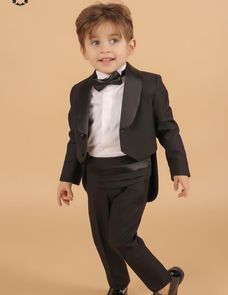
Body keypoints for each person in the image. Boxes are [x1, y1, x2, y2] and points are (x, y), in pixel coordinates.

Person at [57, 2, 190, 295]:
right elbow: (74, 138)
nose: (105, 49)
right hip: (96, 174)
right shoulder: (79, 92)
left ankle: (165, 281)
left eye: (113, 40)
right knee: (103, 239)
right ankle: (118, 286)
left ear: (131, 45)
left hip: (134, 174)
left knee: (121, 236)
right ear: (83, 50)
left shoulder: (150, 85)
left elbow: (168, 128)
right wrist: (67, 177)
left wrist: (179, 169)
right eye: (95, 42)